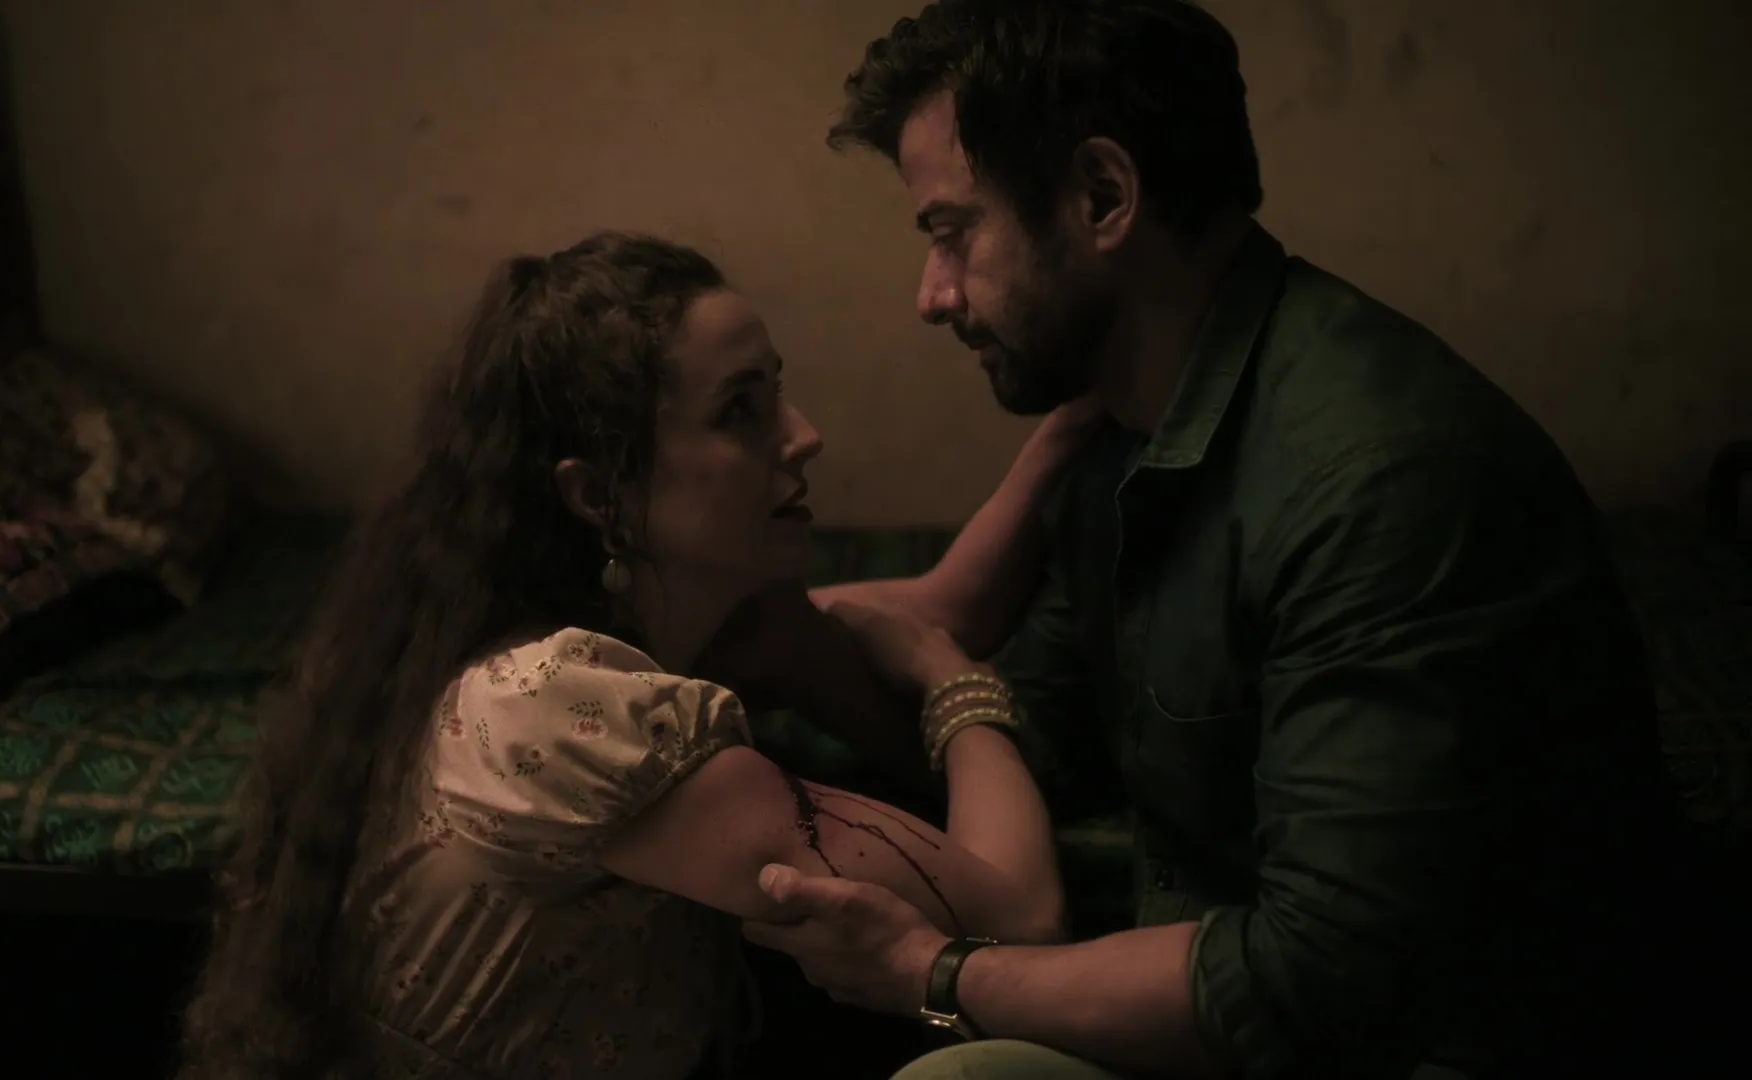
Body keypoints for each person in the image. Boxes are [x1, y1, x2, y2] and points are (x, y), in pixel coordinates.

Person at [735, 2, 1727, 1078]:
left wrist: (935, 976)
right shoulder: (1123, 430)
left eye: (952, 231)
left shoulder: (1382, 485)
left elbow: (1315, 981)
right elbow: (1041, 743)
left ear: (1102, 197)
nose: (932, 296)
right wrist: (801, 655)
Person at [174, 231, 1096, 1080]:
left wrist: (1073, 421)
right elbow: (1020, 913)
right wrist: (958, 688)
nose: (803, 434)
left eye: (776, 391)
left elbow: (939, 606)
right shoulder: (557, 710)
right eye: (741, 410)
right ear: (598, 495)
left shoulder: (661, 624)